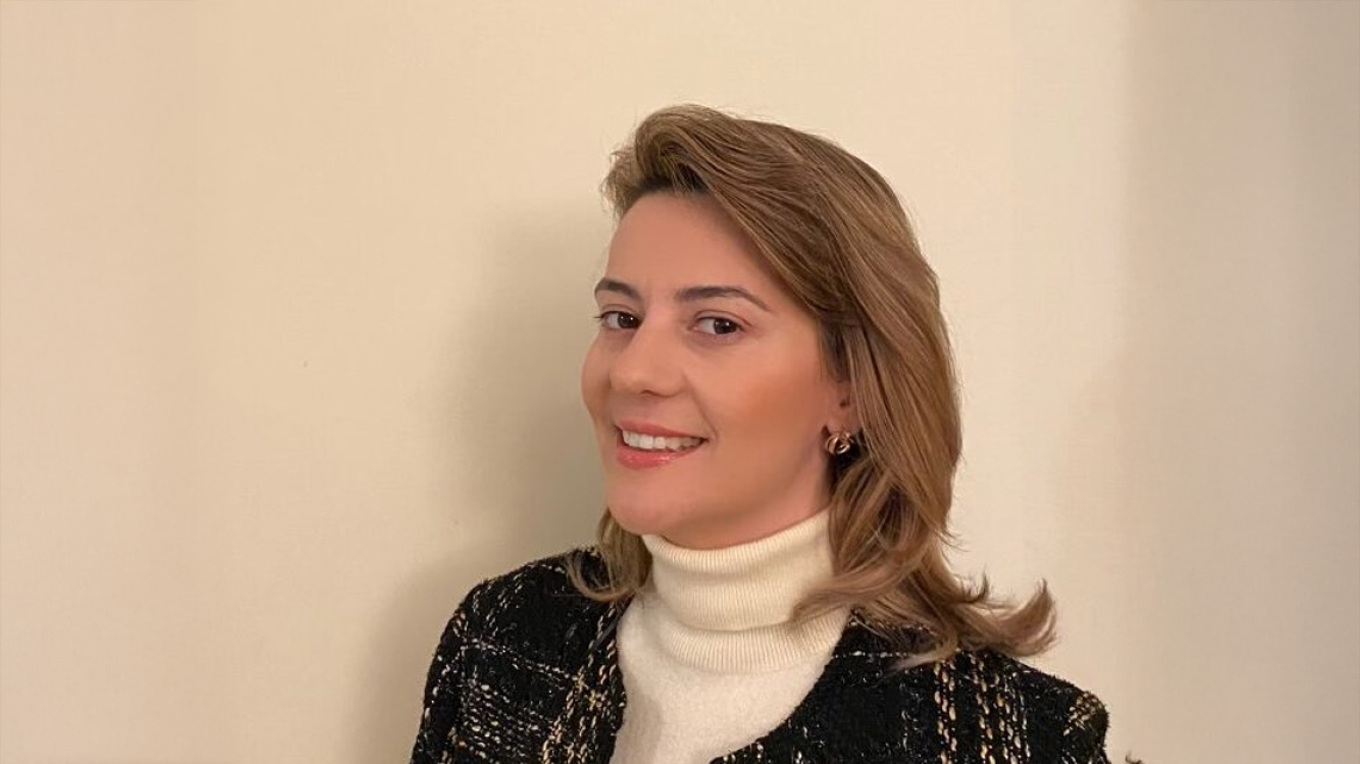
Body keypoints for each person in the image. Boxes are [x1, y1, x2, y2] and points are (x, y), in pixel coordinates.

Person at [409, 105, 1113, 763]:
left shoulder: (1011, 738)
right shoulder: (503, 636)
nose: (633, 371)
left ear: (851, 388)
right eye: (622, 318)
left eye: (718, 324)